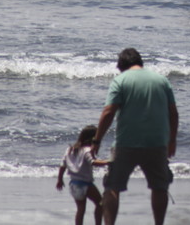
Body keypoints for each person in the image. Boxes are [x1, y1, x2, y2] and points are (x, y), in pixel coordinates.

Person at [92, 48, 179, 225]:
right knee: (159, 187)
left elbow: (109, 112)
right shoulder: (161, 80)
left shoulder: (121, 80)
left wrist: (96, 140)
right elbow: (173, 113)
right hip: (157, 143)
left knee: (112, 187)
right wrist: (172, 140)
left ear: (121, 66)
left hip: (126, 143)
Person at [56, 125, 109, 225]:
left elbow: (63, 165)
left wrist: (60, 179)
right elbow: (93, 162)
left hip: (73, 184)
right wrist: (108, 162)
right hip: (85, 184)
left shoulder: (70, 150)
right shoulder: (87, 150)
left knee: (80, 209)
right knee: (100, 203)